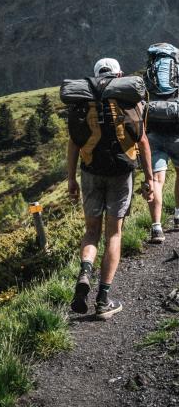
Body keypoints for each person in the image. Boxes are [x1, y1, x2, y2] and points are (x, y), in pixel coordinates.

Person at [66, 58, 154, 319]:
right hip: (121, 173)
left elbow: (73, 143)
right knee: (113, 234)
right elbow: (143, 142)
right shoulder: (129, 101)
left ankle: (85, 271)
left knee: (91, 232)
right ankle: (103, 301)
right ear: (120, 75)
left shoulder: (83, 101)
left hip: (90, 172)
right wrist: (149, 179)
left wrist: (71, 179)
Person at [144, 43, 179, 243]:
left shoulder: (149, 75)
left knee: (156, 180)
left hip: (154, 135)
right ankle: (178, 216)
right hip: (177, 132)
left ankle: (156, 228)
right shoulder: (177, 71)